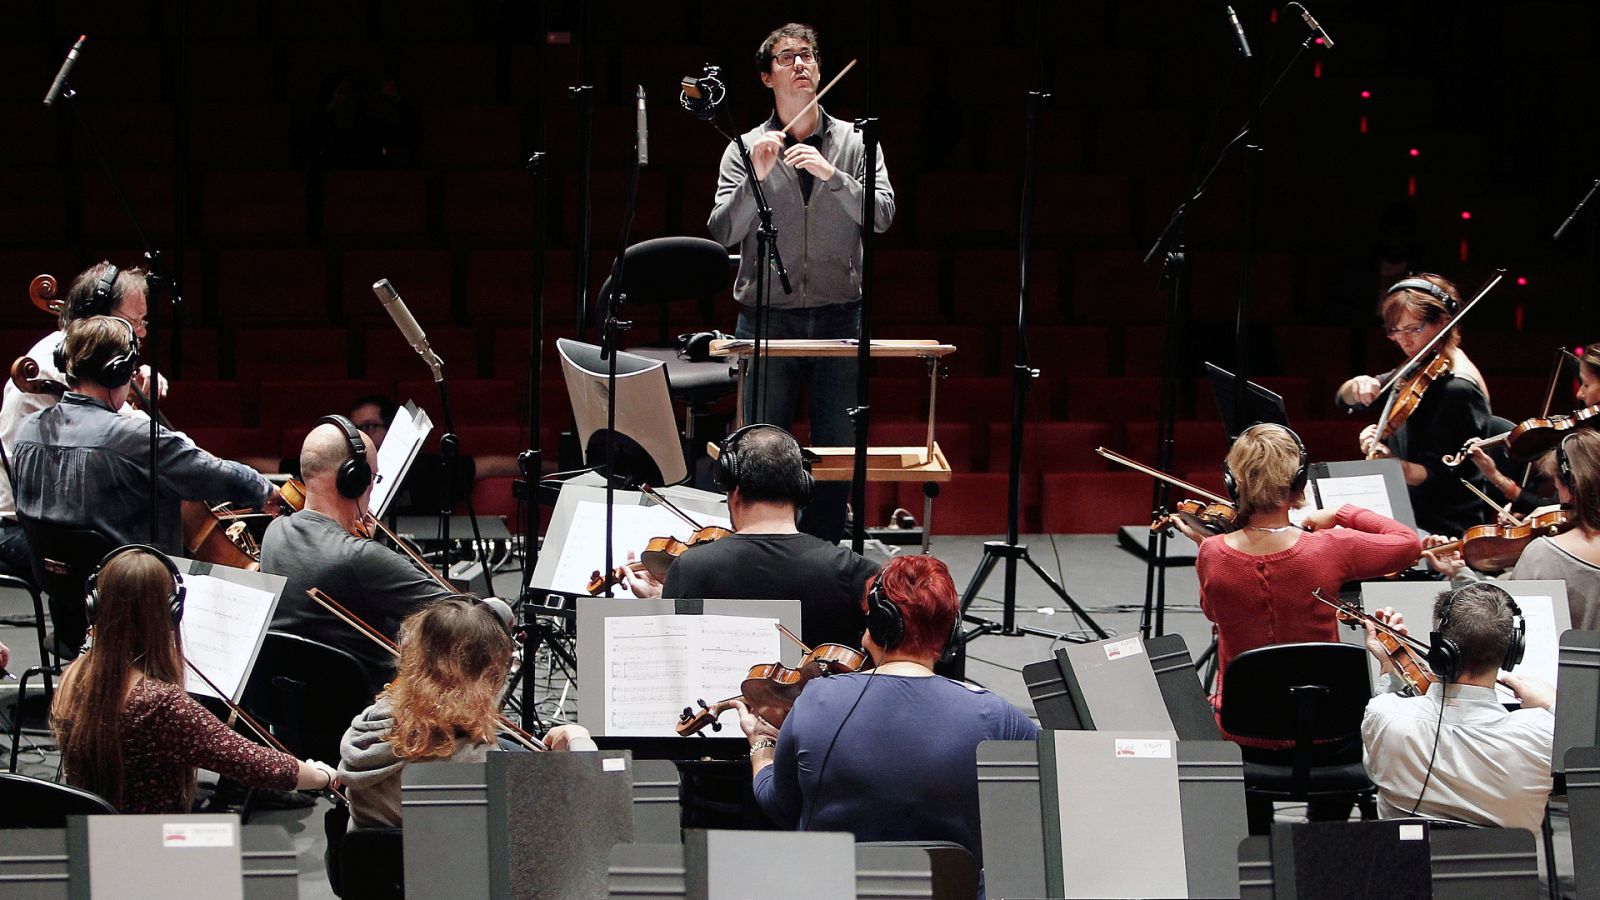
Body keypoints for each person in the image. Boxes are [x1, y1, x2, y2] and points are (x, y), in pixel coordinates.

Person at [735, 554, 1037, 883]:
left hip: (834, 888)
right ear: (950, 635)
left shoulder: (815, 700)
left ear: (880, 624)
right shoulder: (996, 717)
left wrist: (761, 746)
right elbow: (1048, 798)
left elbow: (780, 806)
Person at [707, 22, 896, 544]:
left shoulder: (856, 143)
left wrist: (833, 176)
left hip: (839, 314)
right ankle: (764, 553)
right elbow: (722, 231)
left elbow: (882, 216)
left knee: (836, 448)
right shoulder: (744, 148)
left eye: (808, 54)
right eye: (787, 56)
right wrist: (755, 178)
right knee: (761, 448)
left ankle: (826, 553)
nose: (800, 63)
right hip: (767, 318)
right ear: (767, 77)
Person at [49, 545, 336, 814]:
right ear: (170, 612)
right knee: (241, 845)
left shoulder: (74, 676)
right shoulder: (158, 704)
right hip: (152, 843)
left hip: (92, 839)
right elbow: (255, 763)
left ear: (96, 605)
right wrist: (320, 775)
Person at [338, 595, 594, 829]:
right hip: (456, 866)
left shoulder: (366, 730)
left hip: (374, 866)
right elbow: (590, 809)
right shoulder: (479, 764)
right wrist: (579, 739)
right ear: (488, 677)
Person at [617, 424, 875, 649]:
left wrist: (663, 600)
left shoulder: (691, 569)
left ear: (735, 491)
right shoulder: (854, 570)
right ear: (803, 489)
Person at [262, 417, 455, 694]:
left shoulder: (274, 533)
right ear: (353, 480)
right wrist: (498, 610)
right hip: (371, 713)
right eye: (372, 477)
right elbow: (463, 615)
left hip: (290, 709)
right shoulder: (359, 557)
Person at [0, 262, 168, 577]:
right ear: (98, 316)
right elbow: (132, 436)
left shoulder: (82, 354)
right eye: (135, 321)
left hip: (63, 517)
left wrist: (133, 382)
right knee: (138, 565)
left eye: (143, 321)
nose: (142, 331)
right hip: (23, 528)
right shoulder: (57, 359)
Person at [1360, 584, 1554, 832]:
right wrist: (1553, 703)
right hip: (1502, 858)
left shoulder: (1384, 714)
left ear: (1441, 652)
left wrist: (1389, 666)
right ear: (1512, 652)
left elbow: (1377, 758)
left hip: (1407, 857)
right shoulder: (1546, 733)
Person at [1335, 274, 1493, 537]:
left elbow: (1442, 476)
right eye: (1396, 331)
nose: (1404, 340)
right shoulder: (1422, 365)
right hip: (1409, 506)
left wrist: (1389, 463)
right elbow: (1345, 400)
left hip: (1441, 524)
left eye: (1413, 329)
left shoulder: (1458, 388)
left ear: (1443, 322)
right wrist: (1357, 385)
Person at [1511, 430, 1600, 627]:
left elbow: (1508, 624)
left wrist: (1461, 573)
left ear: (1567, 488)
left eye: (1556, 488)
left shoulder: (1542, 555)